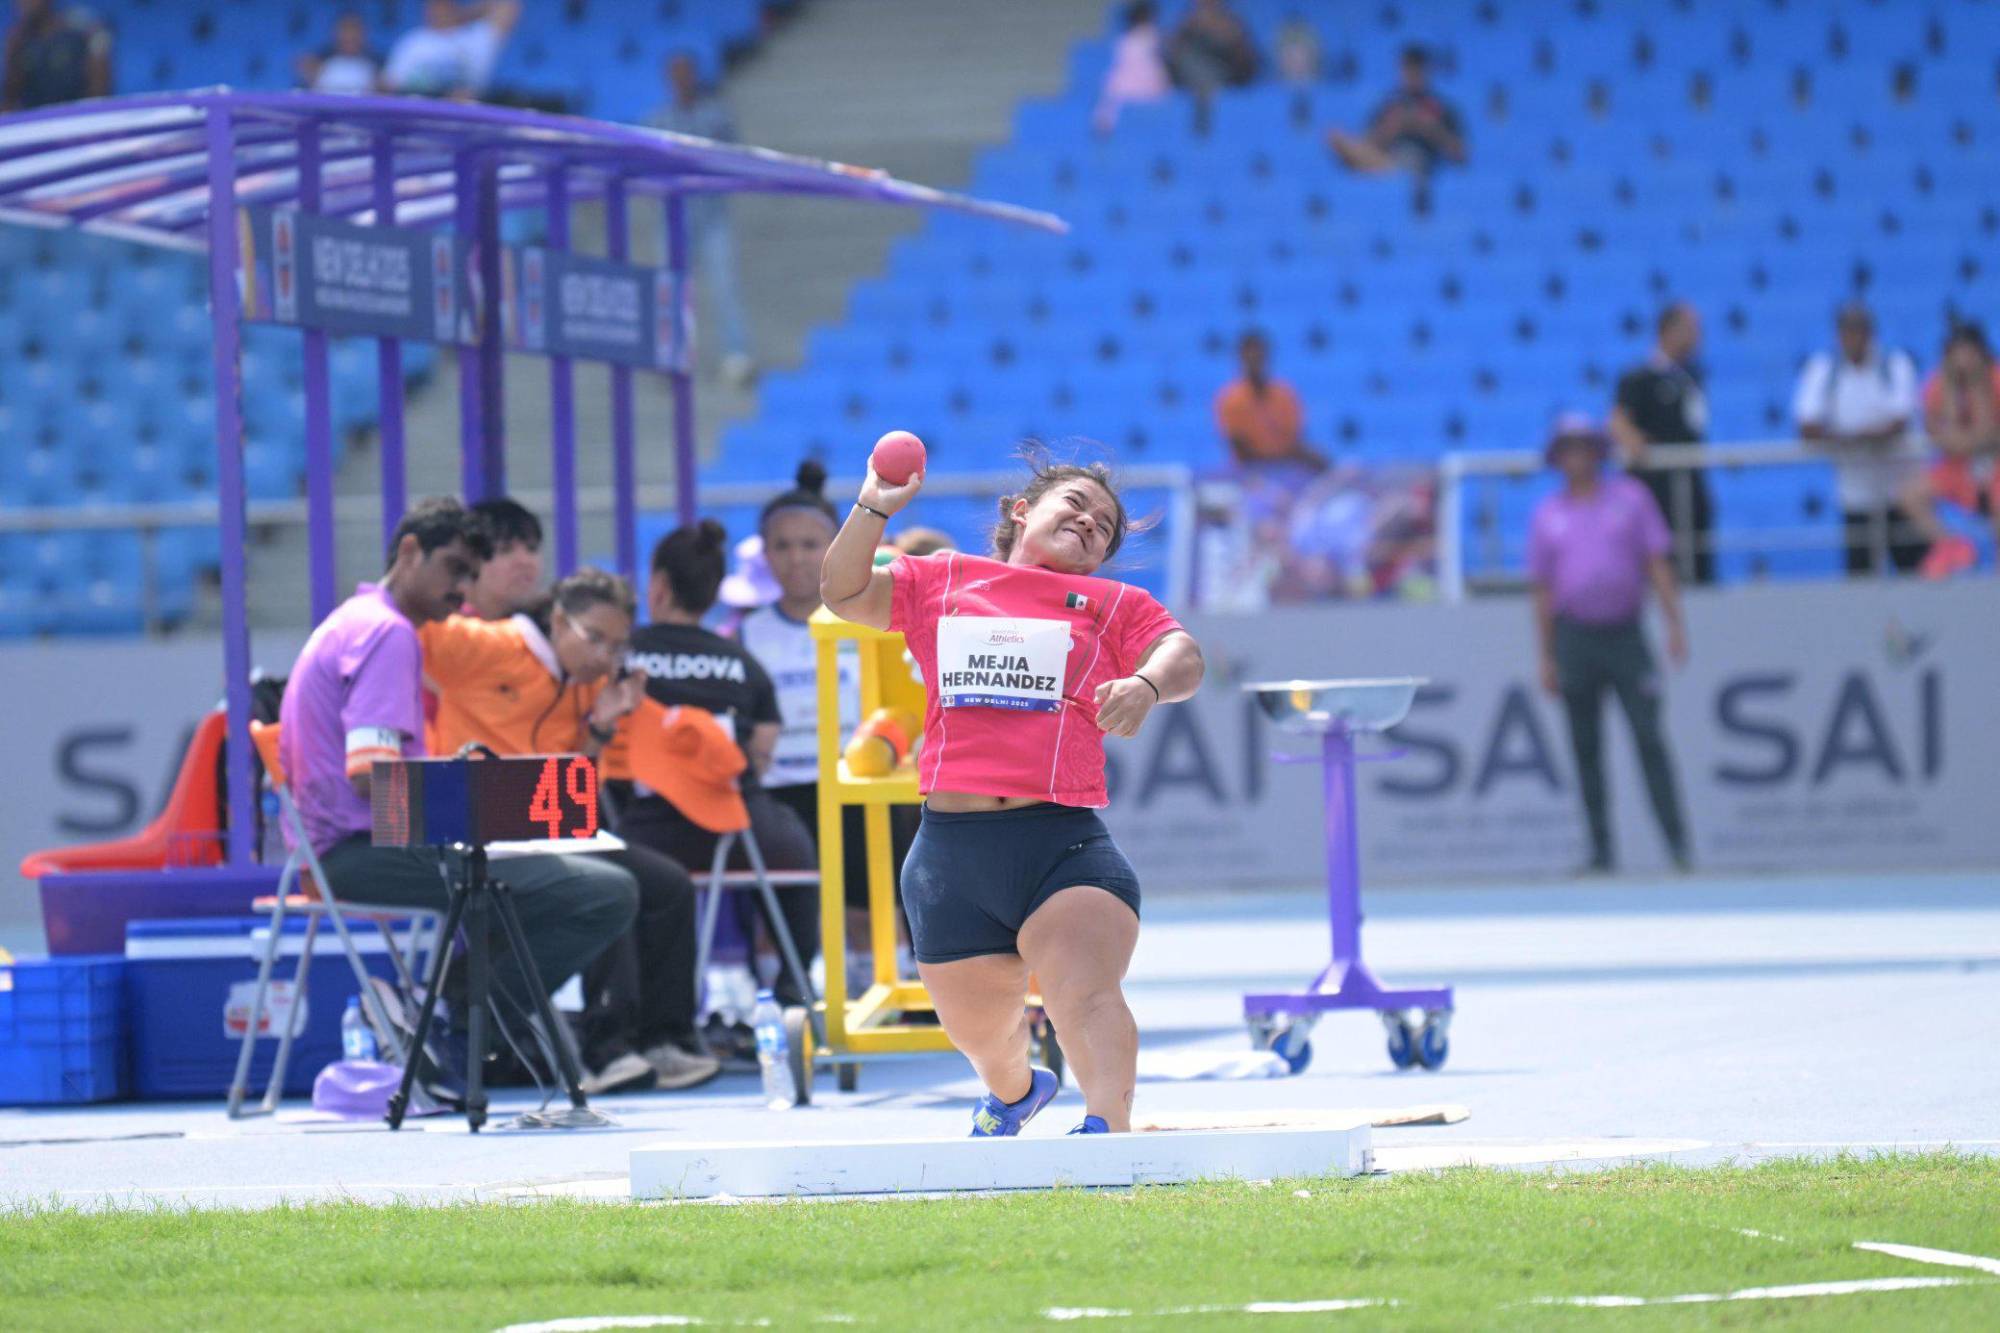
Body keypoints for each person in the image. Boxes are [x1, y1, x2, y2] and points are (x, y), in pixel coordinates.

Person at [822, 450, 1207, 1137]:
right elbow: (843, 594)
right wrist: (874, 504)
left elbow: (1186, 657)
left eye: (1104, 527)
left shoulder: (1115, 605)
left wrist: (1146, 684)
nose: (1089, 523)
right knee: (982, 1038)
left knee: (1084, 994)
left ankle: (1107, 1134)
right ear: (1022, 511)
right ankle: (1017, 1091)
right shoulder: (941, 577)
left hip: (1061, 844)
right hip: (950, 856)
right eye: (1077, 505)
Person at [276, 499, 637, 1076]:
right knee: (606, 892)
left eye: (471, 574)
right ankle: (447, 1019)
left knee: (568, 871)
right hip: (361, 853)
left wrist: (497, 808)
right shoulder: (388, 633)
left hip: (356, 847)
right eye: (454, 569)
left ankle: (441, 1014)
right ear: (410, 551)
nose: (463, 588)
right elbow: (372, 778)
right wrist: (491, 806)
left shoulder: (359, 618)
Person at [419, 567, 720, 1094]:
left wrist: (601, 726)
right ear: (558, 621)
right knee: (601, 884)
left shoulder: (590, 686)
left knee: (669, 884)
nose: (605, 657)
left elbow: (573, 794)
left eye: (618, 646)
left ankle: (663, 1039)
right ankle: (607, 1050)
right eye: (595, 639)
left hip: (547, 831)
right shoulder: (486, 644)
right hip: (476, 834)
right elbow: (402, 627)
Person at [615, 520, 821, 1009]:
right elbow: (761, 755)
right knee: (798, 849)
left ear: (658, 586)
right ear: (713, 592)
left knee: (610, 871)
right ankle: (791, 988)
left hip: (651, 833)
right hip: (743, 834)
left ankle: (639, 1011)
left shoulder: (624, 659)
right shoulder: (743, 662)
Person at [733, 463, 917, 978]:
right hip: (780, 793)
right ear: (764, 553)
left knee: (871, 908)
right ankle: (780, 1000)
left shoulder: (874, 618)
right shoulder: (746, 633)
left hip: (856, 784)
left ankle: (883, 986)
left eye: (810, 545)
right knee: (781, 910)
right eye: (782, 546)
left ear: (835, 546)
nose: (796, 558)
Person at [1529, 415, 1692, 875]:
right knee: (1585, 748)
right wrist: (1546, 655)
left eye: (1584, 446)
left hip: (1626, 635)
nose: (1577, 457)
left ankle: (1678, 846)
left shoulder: (1630, 499)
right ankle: (1601, 853)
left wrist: (1674, 624)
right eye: (1568, 448)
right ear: (1558, 457)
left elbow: (1656, 563)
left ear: (1597, 452)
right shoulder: (1548, 514)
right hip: (1575, 636)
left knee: (1648, 737)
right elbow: (1542, 590)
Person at [1791, 301, 1925, 576]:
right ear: (1838, 334)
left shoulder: (1894, 365)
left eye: (1859, 330)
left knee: (1914, 574)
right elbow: (1806, 425)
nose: (1853, 337)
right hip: (1854, 495)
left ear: (1871, 333)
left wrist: (1848, 438)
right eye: (1847, 331)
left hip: (1901, 493)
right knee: (1861, 578)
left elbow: (1899, 421)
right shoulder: (1824, 369)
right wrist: (1861, 438)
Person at [647, 51, 755, 388]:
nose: (682, 80)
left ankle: (737, 353)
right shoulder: (658, 120)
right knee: (668, 289)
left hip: (712, 216)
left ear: (694, 75)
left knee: (725, 285)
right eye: (676, 73)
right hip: (673, 218)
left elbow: (735, 158)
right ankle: (670, 355)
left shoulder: (716, 117)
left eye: (686, 73)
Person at [1611, 302, 1717, 585]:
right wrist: (1633, 441)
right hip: (1655, 492)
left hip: (1691, 486)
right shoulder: (1639, 378)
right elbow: (1618, 421)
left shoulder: (1692, 377)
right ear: (1668, 331)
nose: (1697, 336)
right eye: (1691, 329)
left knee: (1697, 564)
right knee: (1657, 561)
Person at [1901, 323, 2000, 579]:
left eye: (1969, 352)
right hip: (1956, 467)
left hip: (1995, 465)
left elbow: (1989, 433)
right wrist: (1953, 390)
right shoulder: (1938, 383)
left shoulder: (1995, 378)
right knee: (1911, 495)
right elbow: (1941, 435)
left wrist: (1977, 385)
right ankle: (1953, 546)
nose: (1963, 360)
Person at [1327, 44, 1466, 207]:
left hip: (1421, 166)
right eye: (1407, 70)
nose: (1411, 76)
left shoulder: (1442, 108)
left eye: (1417, 70)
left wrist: (1429, 129)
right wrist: (1394, 127)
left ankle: (1377, 169)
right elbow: (1369, 142)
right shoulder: (1389, 105)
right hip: (1386, 158)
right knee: (1340, 140)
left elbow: (1461, 154)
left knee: (1407, 160)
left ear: (1427, 72)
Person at [1214, 330, 1325, 470]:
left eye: (1258, 357)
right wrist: (1281, 457)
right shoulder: (1230, 400)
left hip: (1286, 466)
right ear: (1241, 360)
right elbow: (1242, 452)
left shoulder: (1285, 395)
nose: (1255, 363)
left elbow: (1295, 439)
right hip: (1249, 471)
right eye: (1250, 359)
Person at [383, 0, 520, 100]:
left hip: (463, 112)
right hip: (419, 110)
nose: (438, 10)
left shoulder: (476, 39)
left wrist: (463, 16)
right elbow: (389, 85)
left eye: (443, 5)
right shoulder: (413, 41)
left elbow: (508, 5)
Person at [1165, 0, 1259, 133]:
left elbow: (1245, 60)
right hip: (1195, 75)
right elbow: (1173, 51)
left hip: (1225, 74)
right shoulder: (1189, 23)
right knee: (1191, 61)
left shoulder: (1231, 23)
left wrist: (1217, 29)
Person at [2, 0, 110, 111]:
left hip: (77, 115)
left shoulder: (83, 30)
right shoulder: (18, 41)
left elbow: (99, 92)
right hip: (38, 117)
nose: (23, 3)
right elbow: (10, 98)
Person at [1093, 1, 1170, 135]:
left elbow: (1155, 61)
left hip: (1146, 80)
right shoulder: (1126, 40)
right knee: (1112, 97)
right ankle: (1104, 127)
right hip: (1129, 80)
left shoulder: (1152, 36)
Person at [465, 497, 544, 620]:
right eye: (505, 550)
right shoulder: (443, 627)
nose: (525, 561)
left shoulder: (551, 628)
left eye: (532, 548)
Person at [297, 11, 382, 96]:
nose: (349, 36)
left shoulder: (376, 64)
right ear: (335, 33)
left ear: (363, 34)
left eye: (354, 32)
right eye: (345, 31)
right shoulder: (320, 61)